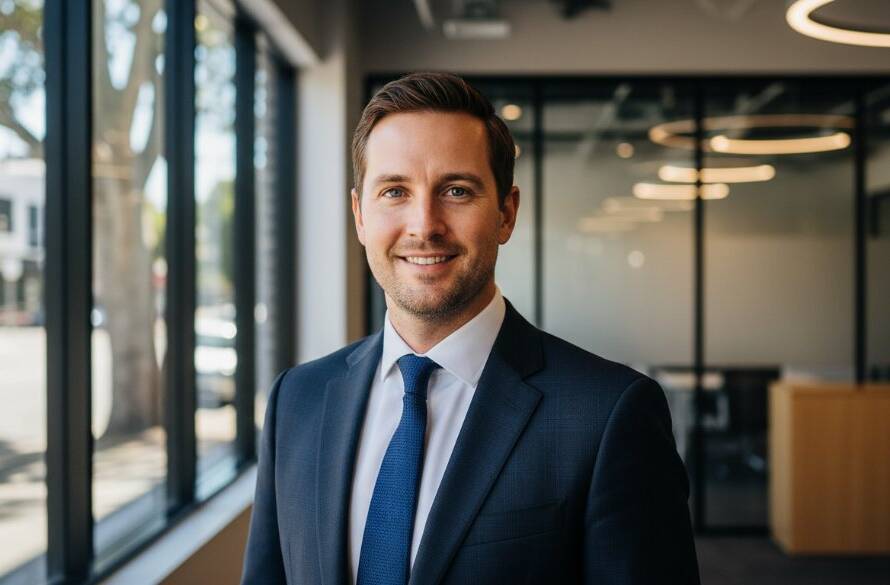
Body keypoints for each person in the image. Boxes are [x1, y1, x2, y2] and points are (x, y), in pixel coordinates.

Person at [241, 72, 700, 585]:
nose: (424, 225)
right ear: (360, 216)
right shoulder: (296, 401)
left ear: (506, 213)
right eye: (394, 191)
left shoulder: (609, 415)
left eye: (456, 190)